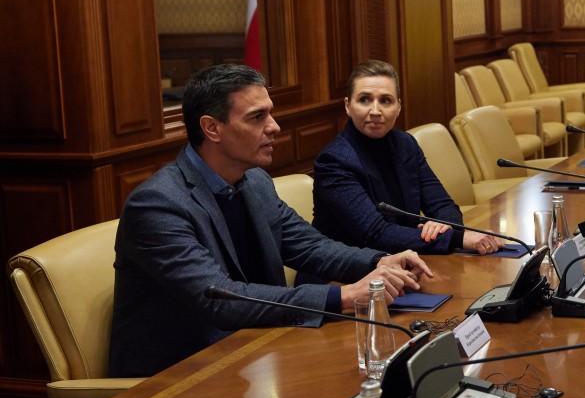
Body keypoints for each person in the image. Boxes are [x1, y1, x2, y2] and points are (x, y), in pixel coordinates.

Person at [110, 64, 433, 378]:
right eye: (257, 117)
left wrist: (380, 261)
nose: (275, 126)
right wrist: (344, 296)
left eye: (270, 113)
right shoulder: (157, 204)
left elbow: (311, 248)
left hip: (258, 349)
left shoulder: (255, 182)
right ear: (212, 128)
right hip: (180, 375)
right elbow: (221, 298)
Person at [311, 59, 502, 255]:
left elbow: (443, 205)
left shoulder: (405, 144)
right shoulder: (334, 161)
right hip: (345, 275)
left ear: (398, 107)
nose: (375, 111)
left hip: (401, 261)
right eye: (364, 100)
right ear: (348, 106)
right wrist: (458, 238)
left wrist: (443, 226)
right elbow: (375, 234)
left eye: (385, 101)